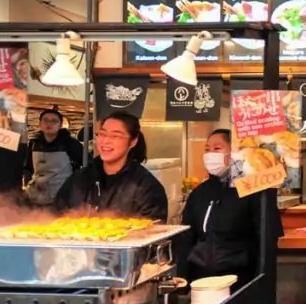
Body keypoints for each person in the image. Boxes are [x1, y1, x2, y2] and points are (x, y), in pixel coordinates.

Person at [176, 129, 280, 289]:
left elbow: (266, 238)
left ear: (235, 152)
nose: (210, 154)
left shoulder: (253, 188)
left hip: (241, 280)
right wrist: (182, 278)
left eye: (217, 149)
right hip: (202, 281)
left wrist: (261, 282)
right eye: (207, 149)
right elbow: (186, 238)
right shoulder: (200, 193)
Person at [55, 112, 167, 221]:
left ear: (132, 142)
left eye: (115, 136)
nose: (106, 141)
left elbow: (151, 231)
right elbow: (57, 216)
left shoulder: (146, 187)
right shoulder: (79, 178)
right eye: (102, 134)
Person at [23, 109, 84, 207]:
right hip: (35, 195)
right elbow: (28, 168)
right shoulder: (34, 144)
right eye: (45, 120)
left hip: (61, 196)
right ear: (40, 124)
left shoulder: (71, 144)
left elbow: (82, 167)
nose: (49, 124)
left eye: (54, 121)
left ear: (60, 125)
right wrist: (27, 184)